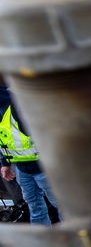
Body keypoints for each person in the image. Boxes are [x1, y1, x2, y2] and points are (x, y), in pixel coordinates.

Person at [0, 82, 59, 225]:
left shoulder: (17, 107)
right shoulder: (4, 109)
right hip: (22, 167)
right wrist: (5, 163)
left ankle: (75, 238)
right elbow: (5, 139)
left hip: (42, 166)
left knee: (61, 204)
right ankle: (44, 238)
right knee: (34, 204)